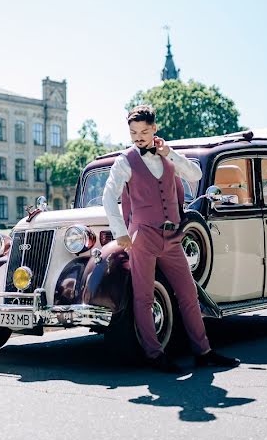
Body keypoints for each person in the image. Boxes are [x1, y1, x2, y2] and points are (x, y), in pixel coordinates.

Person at [102, 104, 240, 374]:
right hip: (143, 236)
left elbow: (196, 175)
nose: (138, 137)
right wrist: (121, 233)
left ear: (155, 128)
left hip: (172, 236)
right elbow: (109, 196)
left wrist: (169, 153)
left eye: (143, 131)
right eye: (133, 132)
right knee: (143, 297)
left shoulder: (167, 155)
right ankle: (155, 355)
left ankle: (203, 351)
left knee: (189, 293)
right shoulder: (125, 161)